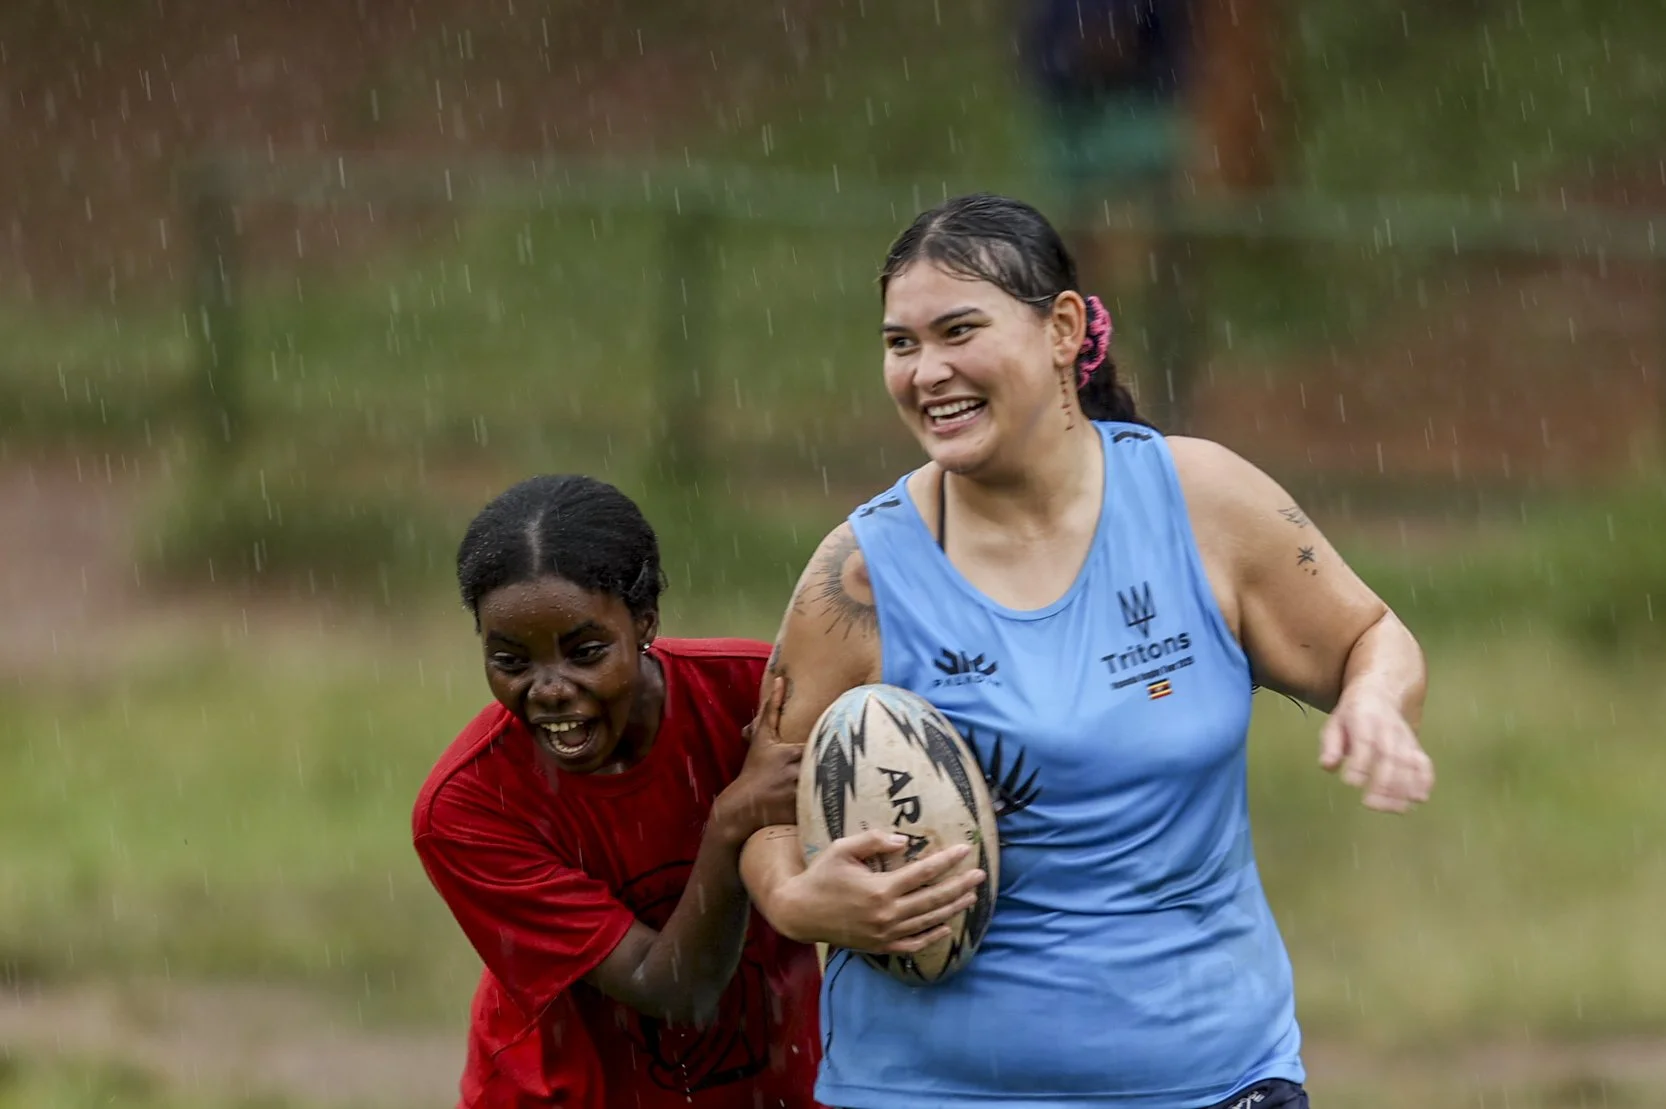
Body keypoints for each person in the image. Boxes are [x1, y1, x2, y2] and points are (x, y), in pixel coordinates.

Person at [738, 194, 1435, 1109]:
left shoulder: (1202, 501)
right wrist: (800, 903)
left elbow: (1370, 638)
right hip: (921, 1088)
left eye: (958, 331)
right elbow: (763, 805)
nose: (926, 372)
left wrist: (1376, 700)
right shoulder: (862, 573)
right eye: (900, 343)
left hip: (1211, 1081)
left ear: (1063, 328)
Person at [414, 474, 866, 1108]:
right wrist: (730, 821)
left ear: (645, 621)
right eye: (512, 661)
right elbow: (674, 991)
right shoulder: (469, 807)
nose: (548, 689)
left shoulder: (759, 697)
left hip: (783, 1089)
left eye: (586, 651)